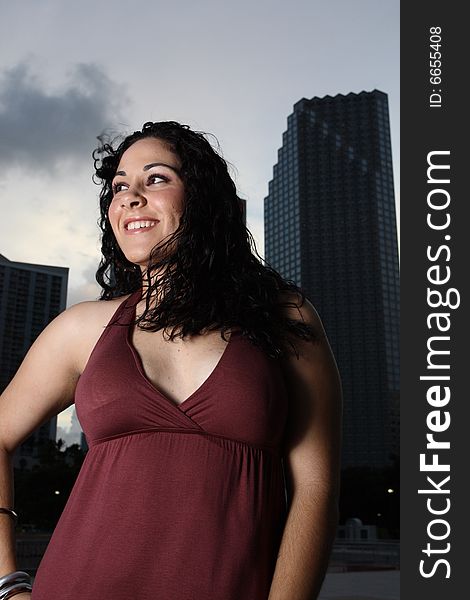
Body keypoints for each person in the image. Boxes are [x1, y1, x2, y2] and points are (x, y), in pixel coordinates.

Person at [0, 121, 342, 600]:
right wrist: (9, 584)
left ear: (202, 199)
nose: (130, 197)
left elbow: (316, 489)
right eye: (119, 186)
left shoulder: (283, 317)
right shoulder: (82, 329)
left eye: (156, 178)